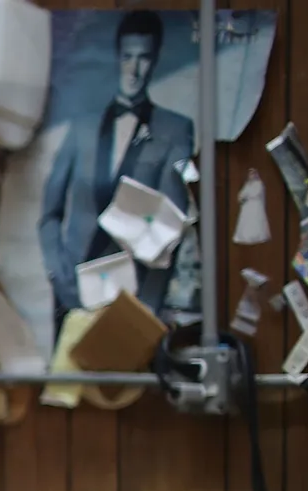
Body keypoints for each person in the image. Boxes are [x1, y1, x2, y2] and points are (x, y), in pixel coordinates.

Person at [39, 9, 194, 335]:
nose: (134, 70)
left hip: (131, 297)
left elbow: (173, 225)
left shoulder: (176, 129)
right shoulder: (81, 127)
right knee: (63, 382)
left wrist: (146, 309)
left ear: (155, 60)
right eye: (127, 57)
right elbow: (49, 213)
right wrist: (59, 274)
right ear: (116, 57)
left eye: (144, 58)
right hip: (72, 293)